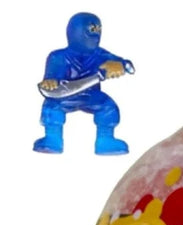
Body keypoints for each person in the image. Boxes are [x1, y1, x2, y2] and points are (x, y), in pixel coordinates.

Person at [34, 12, 133, 154]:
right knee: (50, 107)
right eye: (92, 29)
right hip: (64, 97)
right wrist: (50, 82)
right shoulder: (58, 57)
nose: (96, 34)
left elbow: (127, 65)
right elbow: (50, 77)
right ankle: (52, 138)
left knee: (109, 107)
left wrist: (121, 65)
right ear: (75, 32)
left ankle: (105, 139)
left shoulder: (100, 55)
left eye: (98, 29)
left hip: (92, 96)